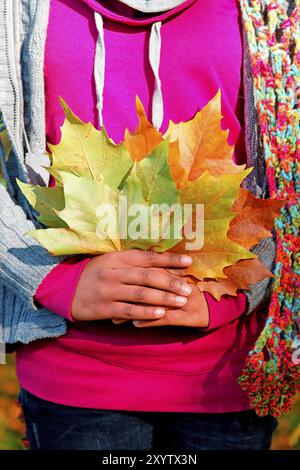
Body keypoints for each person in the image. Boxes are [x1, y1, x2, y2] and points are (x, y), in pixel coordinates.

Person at [0, 0, 297, 450]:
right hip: (71, 371)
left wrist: (239, 286)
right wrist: (48, 279)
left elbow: (290, 175)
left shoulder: (278, 10)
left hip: (226, 368)